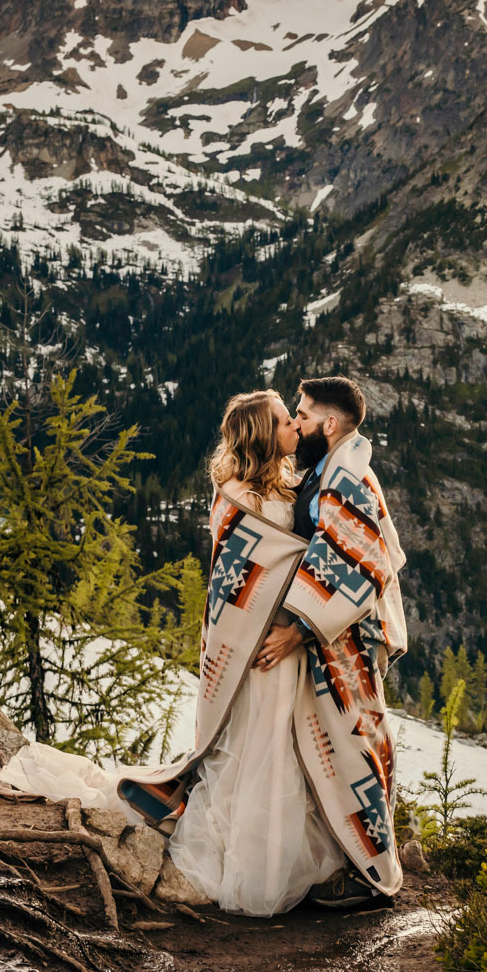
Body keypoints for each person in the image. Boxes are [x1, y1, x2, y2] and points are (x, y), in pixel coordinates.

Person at [116, 379, 408, 913]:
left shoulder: (340, 478)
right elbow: (239, 576)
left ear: (330, 425)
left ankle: (361, 869)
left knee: (341, 749)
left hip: (314, 643)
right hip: (273, 644)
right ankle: (299, 863)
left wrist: (298, 627)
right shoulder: (280, 486)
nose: (295, 423)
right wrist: (271, 629)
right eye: (286, 418)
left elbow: (360, 558)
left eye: (299, 415)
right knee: (283, 750)